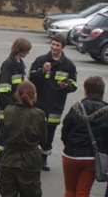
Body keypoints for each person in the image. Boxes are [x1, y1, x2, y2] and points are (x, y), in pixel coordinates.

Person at [60, 76, 108, 197]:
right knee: (83, 193)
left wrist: (68, 144)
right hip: (92, 157)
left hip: (71, 155)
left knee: (70, 190)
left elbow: (65, 130)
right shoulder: (107, 113)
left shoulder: (76, 108)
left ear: (86, 90)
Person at [0, 81, 48, 197]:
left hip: (9, 160)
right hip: (30, 162)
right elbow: (44, 139)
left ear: (16, 95)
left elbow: (4, 132)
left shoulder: (8, 111)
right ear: (35, 96)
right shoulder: (39, 114)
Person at [28, 36, 77, 171]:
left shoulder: (69, 65)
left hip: (55, 106)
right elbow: (31, 78)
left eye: (57, 45)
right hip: (39, 104)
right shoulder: (41, 60)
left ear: (62, 47)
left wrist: (66, 86)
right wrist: (42, 71)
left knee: (49, 133)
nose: (54, 47)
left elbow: (74, 84)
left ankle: (44, 159)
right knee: (34, 131)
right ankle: (31, 157)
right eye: (53, 44)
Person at [0, 38, 32, 171]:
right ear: (21, 49)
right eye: (27, 50)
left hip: (16, 105)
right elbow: (3, 89)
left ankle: (8, 158)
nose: (28, 53)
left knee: (13, 131)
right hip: (8, 105)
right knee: (4, 129)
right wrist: (10, 106)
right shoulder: (8, 64)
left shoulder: (20, 63)